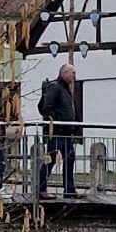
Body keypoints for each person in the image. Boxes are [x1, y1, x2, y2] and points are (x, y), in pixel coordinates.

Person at [38, 63, 79, 199]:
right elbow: (47, 108)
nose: (74, 75)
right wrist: (55, 122)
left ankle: (69, 189)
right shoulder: (56, 88)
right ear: (64, 73)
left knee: (69, 158)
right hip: (57, 132)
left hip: (66, 132)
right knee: (50, 159)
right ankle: (41, 188)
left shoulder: (65, 89)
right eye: (72, 72)